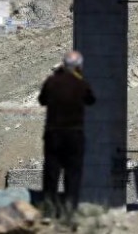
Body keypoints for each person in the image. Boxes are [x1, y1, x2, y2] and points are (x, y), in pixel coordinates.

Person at [39, 50, 96, 218]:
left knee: (51, 173)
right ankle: (70, 212)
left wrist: (57, 76)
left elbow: (42, 100)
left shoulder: (52, 82)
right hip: (74, 135)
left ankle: (49, 211)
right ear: (79, 67)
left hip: (53, 135)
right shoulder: (81, 83)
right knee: (73, 175)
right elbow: (91, 100)